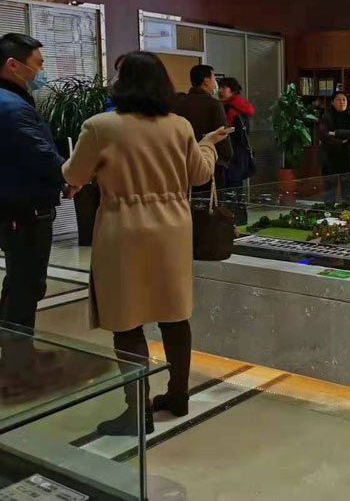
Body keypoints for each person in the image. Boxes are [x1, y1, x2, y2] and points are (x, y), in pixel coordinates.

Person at [62, 51, 229, 435]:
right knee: (174, 315)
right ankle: (179, 395)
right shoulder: (179, 126)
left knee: (126, 320)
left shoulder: (100, 126)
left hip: (123, 229)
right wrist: (207, 143)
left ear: (123, 83)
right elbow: (200, 174)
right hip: (172, 229)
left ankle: (138, 412)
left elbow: (74, 174)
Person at [0, 33, 68, 335]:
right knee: (27, 284)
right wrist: (70, 176)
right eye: (38, 64)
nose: (42, 71)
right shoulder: (12, 107)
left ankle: (12, 347)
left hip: (13, 203)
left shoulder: (12, 100)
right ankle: (18, 354)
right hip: (25, 208)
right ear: (13, 65)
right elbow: (39, 154)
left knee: (18, 281)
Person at [173, 64, 232, 187]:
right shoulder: (214, 104)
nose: (215, 83)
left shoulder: (178, 102)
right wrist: (225, 159)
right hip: (208, 163)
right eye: (213, 78)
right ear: (206, 81)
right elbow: (222, 135)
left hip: (181, 163)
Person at [318, 90, 350, 201]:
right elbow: (323, 135)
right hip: (330, 156)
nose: (341, 102)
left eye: (344, 100)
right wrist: (342, 140)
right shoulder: (326, 117)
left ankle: (346, 209)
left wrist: (336, 133)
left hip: (347, 157)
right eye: (338, 99)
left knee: (347, 189)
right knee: (330, 190)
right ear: (333, 102)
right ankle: (329, 209)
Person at [217, 78, 256, 189]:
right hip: (241, 154)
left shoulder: (228, 110)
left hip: (230, 155)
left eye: (223, 88)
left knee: (228, 189)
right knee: (237, 189)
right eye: (219, 87)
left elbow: (224, 132)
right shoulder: (242, 107)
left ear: (233, 90)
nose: (219, 91)